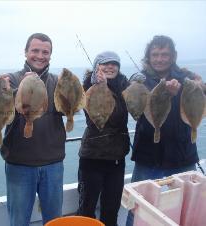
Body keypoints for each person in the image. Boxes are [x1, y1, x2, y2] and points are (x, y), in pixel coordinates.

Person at [126, 35, 200, 225]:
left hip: (182, 156)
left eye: (165, 54)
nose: (159, 59)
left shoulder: (187, 78)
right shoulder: (140, 81)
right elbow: (132, 104)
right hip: (147, 157)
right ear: (148, 56)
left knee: (182, 209)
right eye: (155, 54)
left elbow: (199, 100)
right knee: (137, 207)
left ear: (173, 56)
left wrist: (196, 87)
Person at [0, 33, 66, 226]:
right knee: (19, 221)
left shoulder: (57, 82)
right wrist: (12, 88)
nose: (40, 55)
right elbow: (1, 111)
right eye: (35, 50)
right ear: (26, 52)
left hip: (53, 164)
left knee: (54, 220)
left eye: (45, 52)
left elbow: (72, 107)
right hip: (19, 164)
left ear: (50, 55)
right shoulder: (11, 79)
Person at [77, 51, 130, 226]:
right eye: (105, 63)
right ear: (96, 67)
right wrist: (101, 86)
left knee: (111, 209)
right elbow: (111, 119)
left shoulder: (124, 85)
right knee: (86, 209)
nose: (110, 66)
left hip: (116, 159)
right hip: (92, 157)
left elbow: (141, 94)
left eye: (114, 63)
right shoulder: (87, 86)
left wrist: (138, 79)